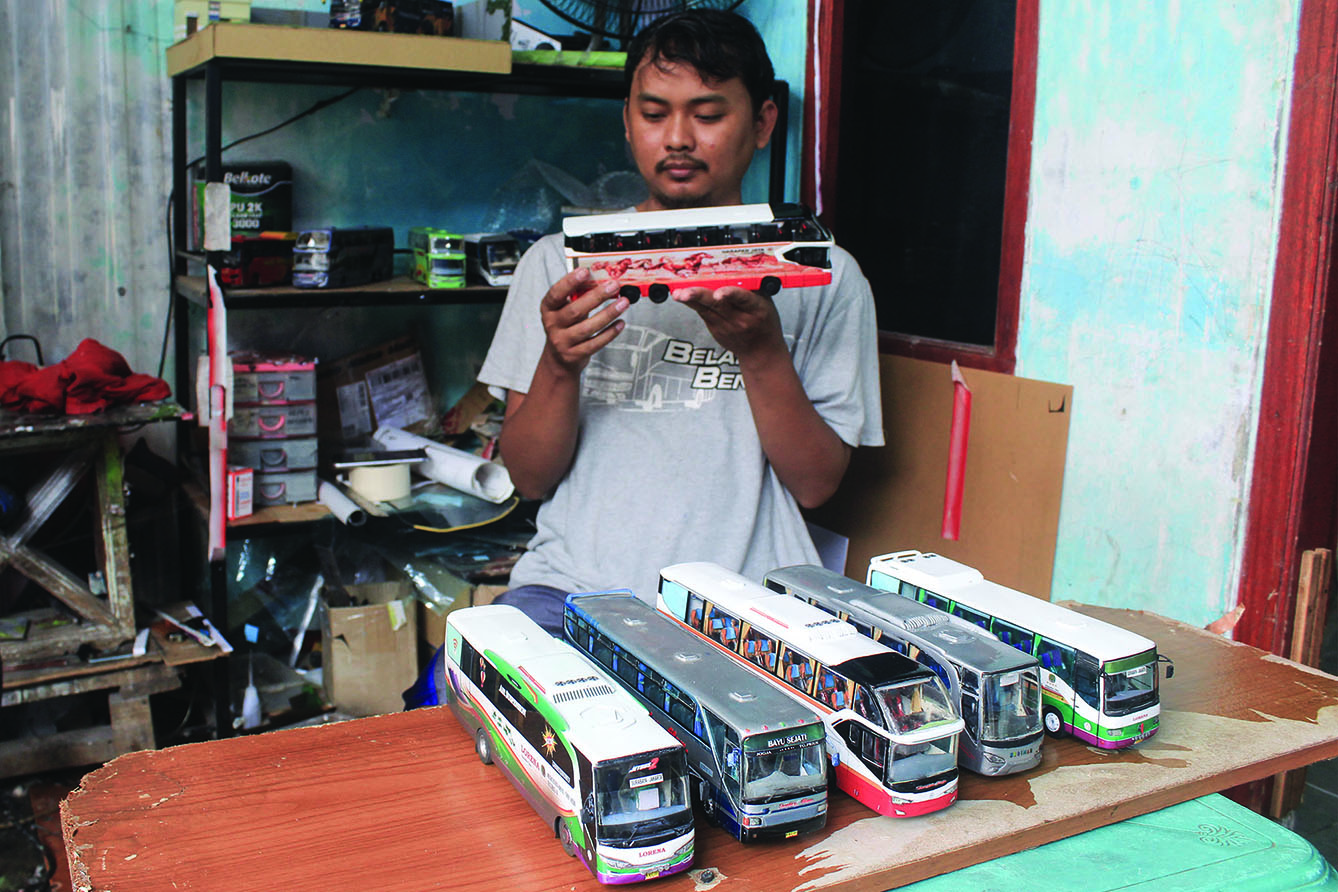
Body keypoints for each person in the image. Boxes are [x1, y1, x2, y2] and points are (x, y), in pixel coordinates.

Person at [402, 10, 882, 708]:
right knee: (464, 722)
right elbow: (530, 478)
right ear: (627, 121)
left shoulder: (823, 276)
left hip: (749, 602)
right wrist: (559, 367)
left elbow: (816, 485)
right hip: (571, 589)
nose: (679, 138)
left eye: (708, 113)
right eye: (655, 113)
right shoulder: (558, 266)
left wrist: (761, 351)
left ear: (764, 121)